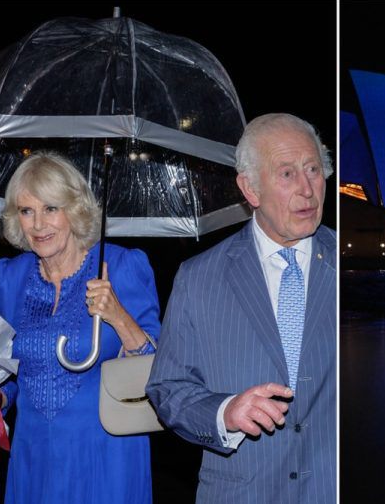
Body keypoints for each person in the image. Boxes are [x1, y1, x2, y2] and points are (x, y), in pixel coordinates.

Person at [147, 113, 336, 503]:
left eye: (314, 169)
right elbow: (168, 388)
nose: (307, 189)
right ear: (250, 189)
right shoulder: (198, 277)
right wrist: (224, 413)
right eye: (287, 174)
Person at [0, 151, 160, 503]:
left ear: (75, 209)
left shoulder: (120, 265)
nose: (38, 224)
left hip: (106, 457)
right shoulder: (8, 277)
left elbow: (160, 369)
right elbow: (12, 370)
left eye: (51, 208)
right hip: (33, 457)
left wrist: (118, 315)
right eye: (27, 211)